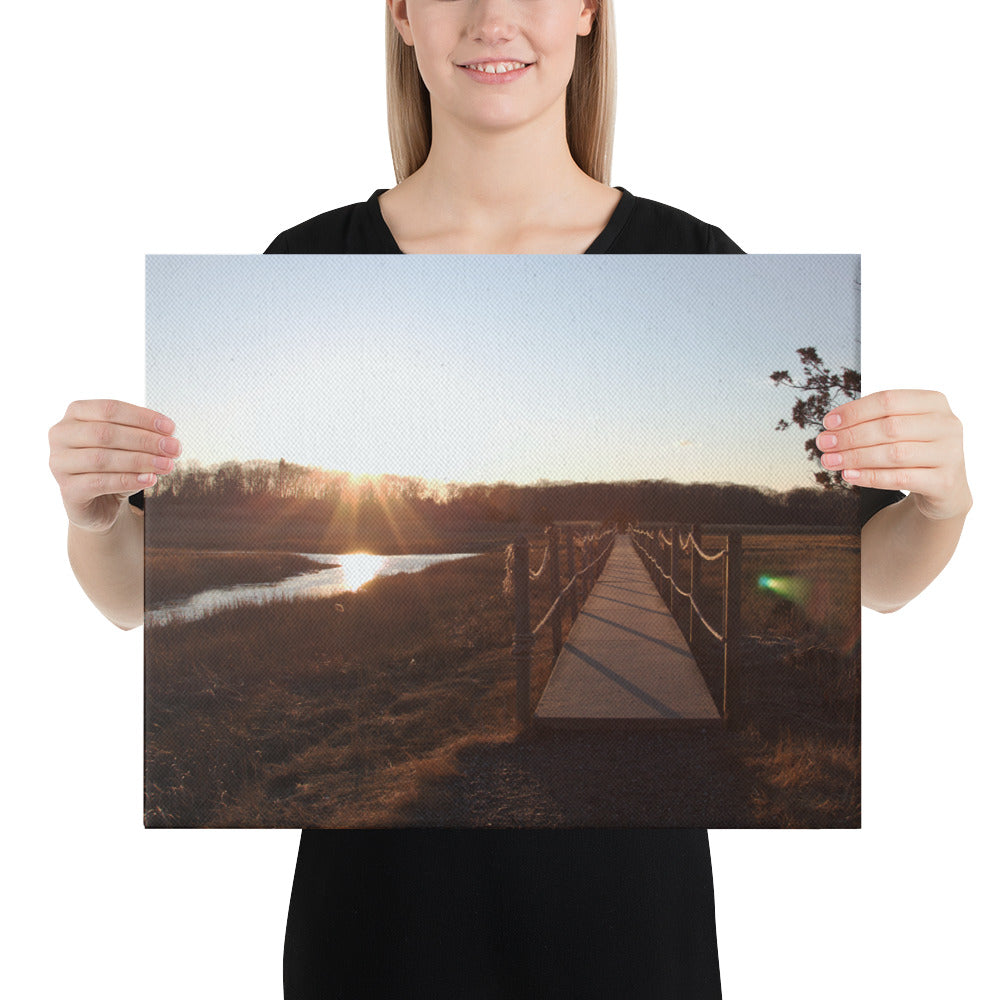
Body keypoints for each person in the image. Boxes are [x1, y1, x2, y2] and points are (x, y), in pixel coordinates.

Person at [47, 2, 972, 997]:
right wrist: (91, 517)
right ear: (402, 15)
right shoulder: (308, 258)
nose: (495, 17)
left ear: (586, 14)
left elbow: (869, 580)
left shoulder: (693, 255)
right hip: (373, 930)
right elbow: (130, 596)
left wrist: (941, 506)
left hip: (630, 928)